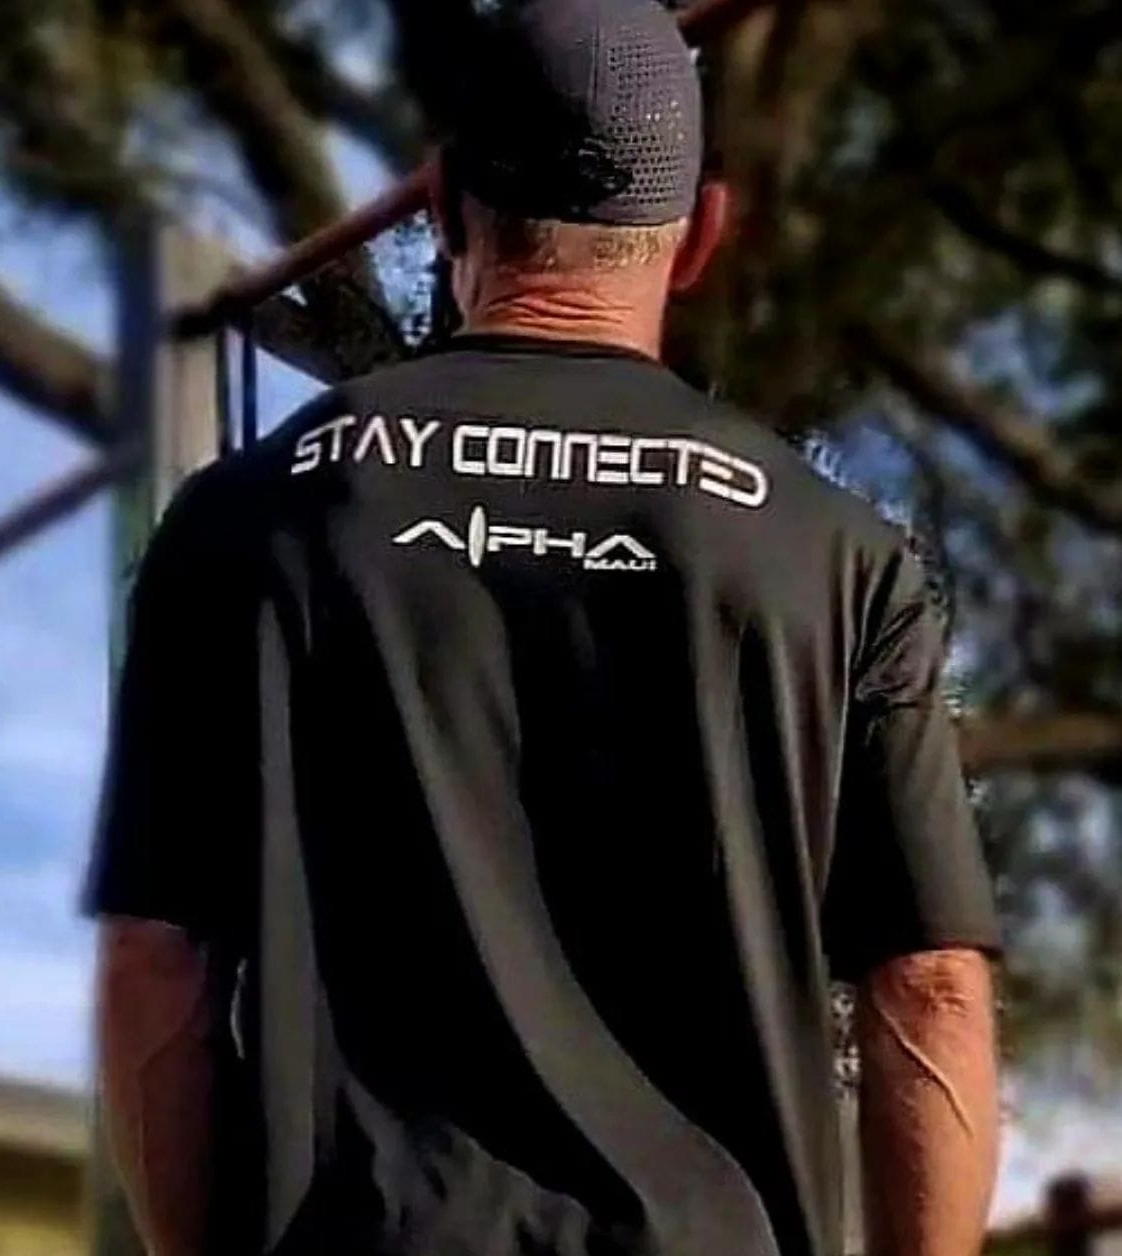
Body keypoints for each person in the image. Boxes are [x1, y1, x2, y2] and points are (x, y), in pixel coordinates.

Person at [85, 1, 1002, 1253]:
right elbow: (930, 987)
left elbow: (155, 958)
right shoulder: (835, 552)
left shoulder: (245, 521)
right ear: (696, 242)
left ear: (445, 207)